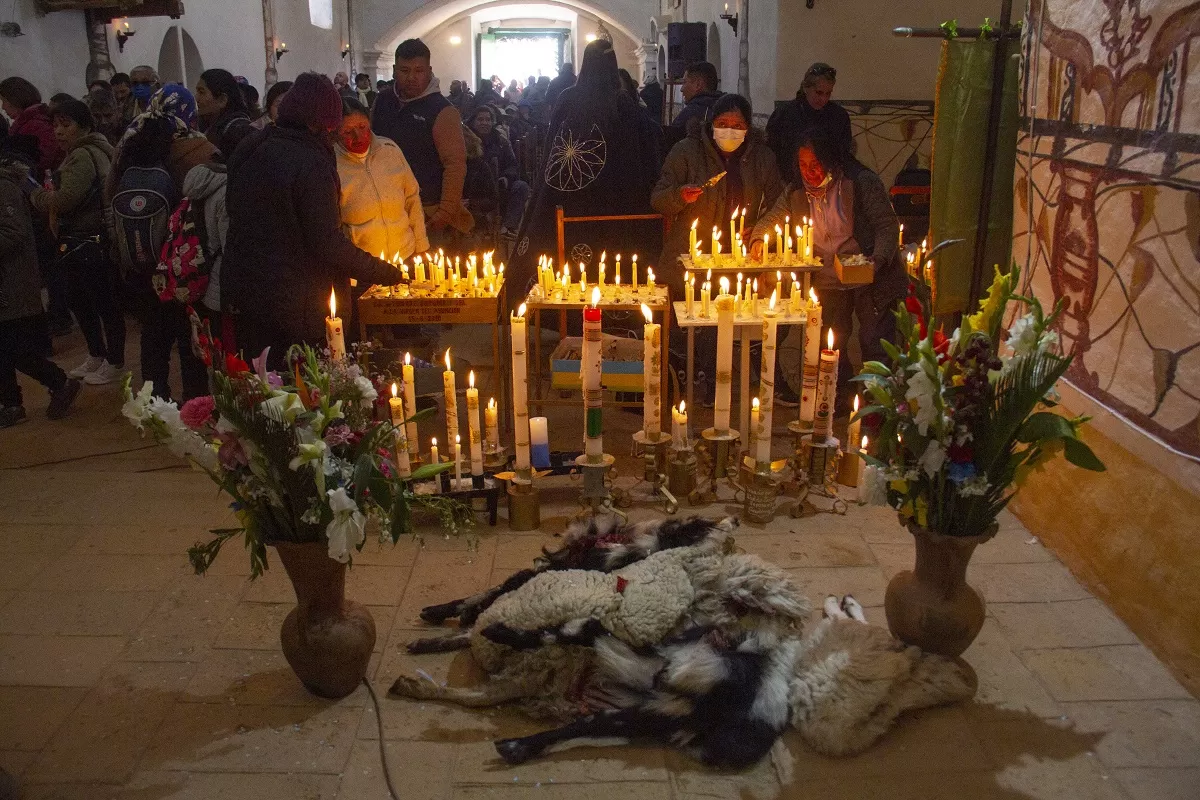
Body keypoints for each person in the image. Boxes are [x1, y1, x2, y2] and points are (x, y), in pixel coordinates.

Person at [222, 72, 399, 366]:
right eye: (332, 127)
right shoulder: (309, 161)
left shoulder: (251, 146)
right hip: (298, 303)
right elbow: (326, 242)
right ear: (318, 123)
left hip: (249, 294)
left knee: (265, 390)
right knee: (304, 394)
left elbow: (235, 212)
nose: (334, 134)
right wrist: (383, 271)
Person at [750, 128, 906, 413]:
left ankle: (878, 407)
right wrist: (760, 238)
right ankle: (841, 399)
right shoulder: (796, 192)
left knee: (874, 342)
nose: (809, 172)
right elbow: (774, 216)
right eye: (803, 165)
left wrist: (877, 260)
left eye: (815, 164)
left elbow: (886, 225)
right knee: (830, 343)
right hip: (827, 279)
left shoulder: (859, 183)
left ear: (832, 160)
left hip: (868, 274)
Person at [508, 39, 662, 299]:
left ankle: (560, 311)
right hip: (615, 199)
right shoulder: (625, 105)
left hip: (567, 196)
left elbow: (552, 148)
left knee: (559, 254)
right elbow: (645, 150)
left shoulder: (567, 99)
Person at [109, 85, 215, 401]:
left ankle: (155, 399)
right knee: (187, 332)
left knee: (152, 334)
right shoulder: (196, 149)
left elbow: (111, 199)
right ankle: (195, 399)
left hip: (140, 258)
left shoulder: (128, 144)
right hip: (181, 259)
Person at [29, 100, 124, 385]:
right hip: (82, 240)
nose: (58, 131)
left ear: (84, 126)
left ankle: (115, 360)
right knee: (83, 300)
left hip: (88, 239)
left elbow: (64, 199)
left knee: (101, 302)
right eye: (55, 125)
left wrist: (35, 194)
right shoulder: (80, 153)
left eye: (66, 124)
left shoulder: (83, 155)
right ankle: (97, 354)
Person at [652, 93, 782, 295]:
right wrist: (680, 196)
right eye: (722, 123)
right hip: (693, 256)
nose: (729, 131)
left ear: (748, 128)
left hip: (740, 259)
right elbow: (658, 199)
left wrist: (758, 230)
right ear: (711, 124)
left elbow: (778, 205)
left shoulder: (762, 158)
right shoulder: (687, 151)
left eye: (737, 126)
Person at [0, 148, 81, 427]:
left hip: (10, 281)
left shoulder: (4, 187)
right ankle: (11, 403)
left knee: (13, 348)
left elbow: (14, 232)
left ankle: (57, 382)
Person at [371, 39, 473, 245]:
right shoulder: (383, 101)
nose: (411, 78)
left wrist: (445, 211)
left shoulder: (442, 110)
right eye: (404, 70)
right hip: (383, 204)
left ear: (429, 70)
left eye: (418, 71)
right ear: (394, 70)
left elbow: (455, 165)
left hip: (427, 208)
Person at [335, 97, 428, 261]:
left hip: (405, 255)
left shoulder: (389, 151)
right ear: (334, 131)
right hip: (363, 265)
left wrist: (421, 245)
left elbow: (412, 199)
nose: (358, 136)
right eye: (348, 132)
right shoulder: (331, 163)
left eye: (362, 127)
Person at [766, 63, 853, 180]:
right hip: (788, 180)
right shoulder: (784, 114)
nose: (823, 99)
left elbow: (842, 154)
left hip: (826, 181)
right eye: (819, 92)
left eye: (828, 94)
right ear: (806, 88)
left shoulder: (838, 116)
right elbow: (772, 153)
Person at [466, 105, 530, 239]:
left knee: (521, 186)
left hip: (499, 186)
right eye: (480, 119)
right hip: (474, 189)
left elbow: (513, 165)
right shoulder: (465, 141)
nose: (484, 123)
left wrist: (507, 177)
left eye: (488, 119)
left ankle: (507, 227)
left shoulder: (500, 141)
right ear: (473, 121)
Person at [0, 77, 64, 173]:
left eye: (4, 101)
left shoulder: (36, 125)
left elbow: (43, 162)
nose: (3, 107)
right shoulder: (29, 122)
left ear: (16, 99)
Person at [195, 69, 253, 156]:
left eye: (202, 92)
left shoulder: (239, 131)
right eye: (197, 92)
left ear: (222, 100)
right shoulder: (208, 126)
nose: (196, 98)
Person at [666, 62, 722, 149]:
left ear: (698, 85)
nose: (681, 89)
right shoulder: (726, 109)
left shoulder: (691, 113)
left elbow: (671, 144)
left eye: (684, 82)